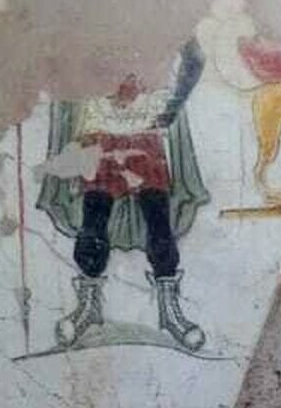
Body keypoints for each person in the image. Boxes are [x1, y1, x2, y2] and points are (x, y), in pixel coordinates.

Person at [38, 39, 210, 351]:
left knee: (158, 219)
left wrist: (173, 104)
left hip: (146, 121)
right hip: (100, 120)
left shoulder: (161, 12)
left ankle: (170, 312)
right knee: (94, 218)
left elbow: (193, 56)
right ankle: (88, 308)